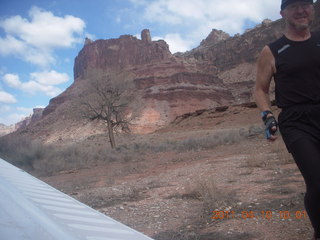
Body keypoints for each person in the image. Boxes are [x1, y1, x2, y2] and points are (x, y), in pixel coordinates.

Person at [254, 0, 320, 239]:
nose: (301, 11)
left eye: (306, 5)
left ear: (312, 9)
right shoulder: (272, 50)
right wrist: (267, 116)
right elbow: (260, 89)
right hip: (296, 121)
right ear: (283, 13)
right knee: (317, 180)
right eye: (294, 6)